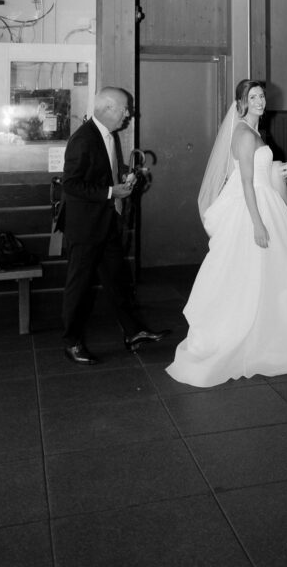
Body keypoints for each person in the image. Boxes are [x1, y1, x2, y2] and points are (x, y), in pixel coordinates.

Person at [166, 79, 287, 387]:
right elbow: (246, 183)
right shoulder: (244, 134)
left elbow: (258, 174)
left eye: (262, 95)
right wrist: (258, 223)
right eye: (253, 96)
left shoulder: (255, 133)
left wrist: (277, 170)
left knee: (273, 274)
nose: (260, 100)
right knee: (252, 275)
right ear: (241, 103)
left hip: (265, 202)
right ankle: (249, 338)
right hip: (254, 209)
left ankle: (269, 335)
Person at [61, 86, 167, 365]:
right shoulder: (83, 139)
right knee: (79, 286)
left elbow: (102, 173)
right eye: (124, 108)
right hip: (85, 227)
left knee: (118, 280)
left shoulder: (109, 136)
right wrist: (111, 192)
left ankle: (134, 332)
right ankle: (71, 342)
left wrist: (124, 179)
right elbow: (71, 184)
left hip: (105, 223)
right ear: (107, 108)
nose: (128, 114)